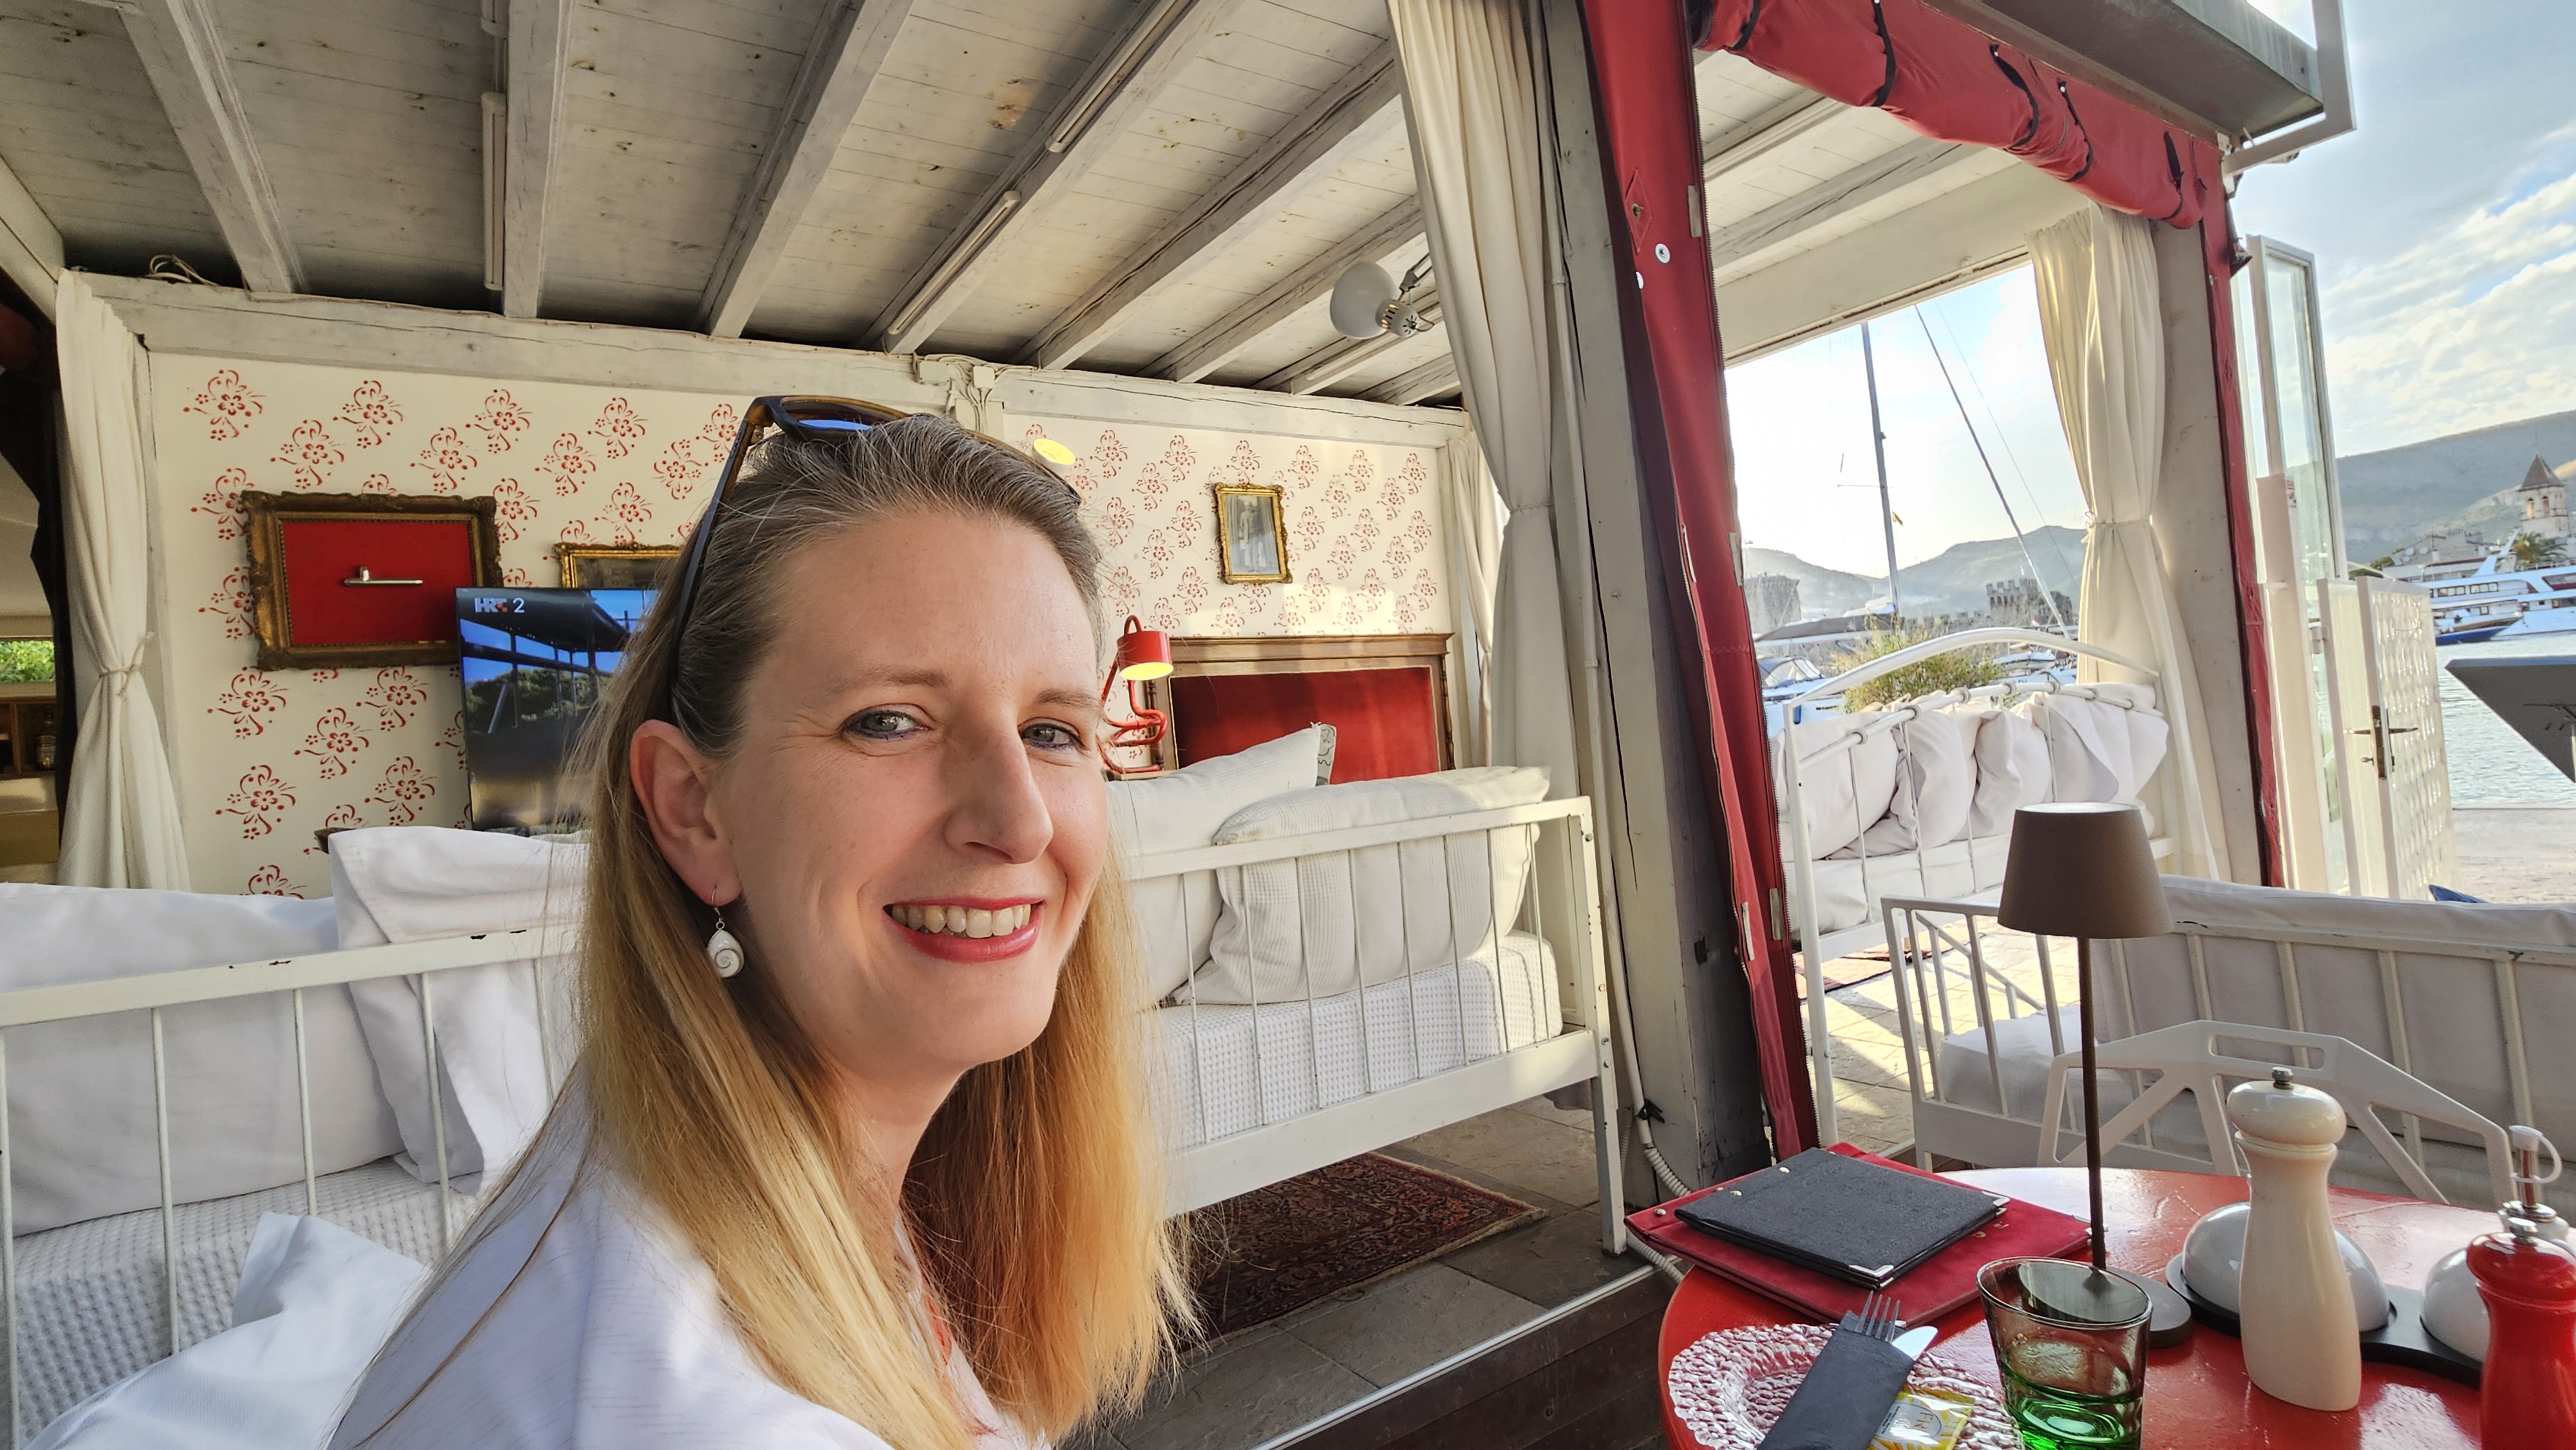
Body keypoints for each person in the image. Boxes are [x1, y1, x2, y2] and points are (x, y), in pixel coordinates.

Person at [333, 410, 1188, 1449]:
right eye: (888, 721)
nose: (1020, 824)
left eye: (1052, 731)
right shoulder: (708, 1414)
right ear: (694, 809)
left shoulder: (710, 1156)